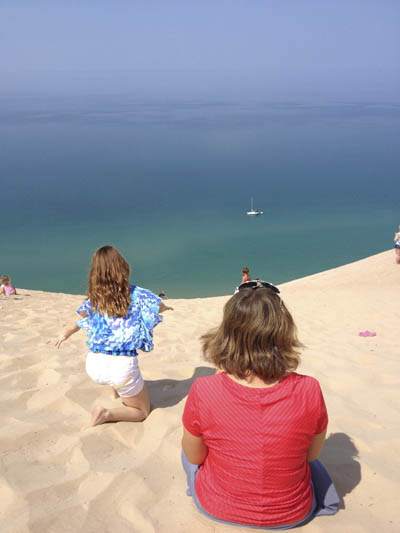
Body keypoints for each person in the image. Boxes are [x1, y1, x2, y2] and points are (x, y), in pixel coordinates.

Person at [181, 281, 339, 529]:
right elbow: (311, 455)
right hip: (293, 513)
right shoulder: (310, 389)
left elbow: (194, 456)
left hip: (217, 508)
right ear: (284, 331)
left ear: (227, 332)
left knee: (186, 450)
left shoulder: (204, 390)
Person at [56, 245, 173, 426]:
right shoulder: (137, 294)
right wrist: (166, 308)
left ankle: (113, 391)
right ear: (122, 267)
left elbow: (77, 321)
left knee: (111, 362)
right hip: (122, 366)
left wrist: (65, 334)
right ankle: (106, 414)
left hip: (94, 365)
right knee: (141, 411)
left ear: (95, 273)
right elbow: (157, 306)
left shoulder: (94, 299)